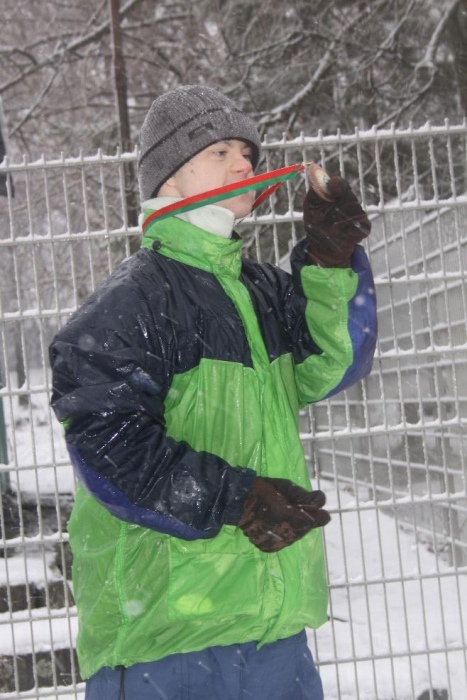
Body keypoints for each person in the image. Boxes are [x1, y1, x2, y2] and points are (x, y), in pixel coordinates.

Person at [49, 85, 377, 699]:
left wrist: (331, 261)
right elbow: (111, 449)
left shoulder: (261, 290)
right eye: (220, 151)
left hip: (275, 628)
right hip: (168, 638)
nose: (244, 164)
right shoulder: (131, 304)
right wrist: (237, 498)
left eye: (248, 152)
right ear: (168, 176)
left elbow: (330, 367)